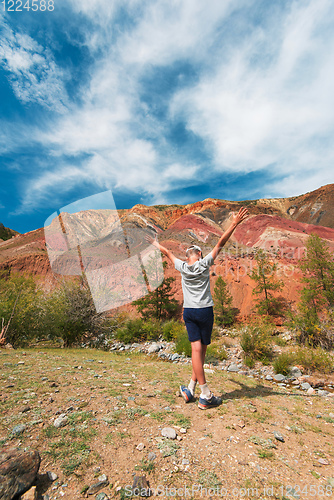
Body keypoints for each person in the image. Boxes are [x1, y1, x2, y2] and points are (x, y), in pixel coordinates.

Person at [146, 207, 249, 409]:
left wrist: (155, 243)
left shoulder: (182, 267)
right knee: (201, 351)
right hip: (205, 311)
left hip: (189, 312)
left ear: (187, 257)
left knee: (196, 351)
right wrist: (234, 223)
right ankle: (206, 395)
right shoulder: (205, 264)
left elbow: (167, 252)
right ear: (200, 254)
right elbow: (221, 242)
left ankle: (190, 388)